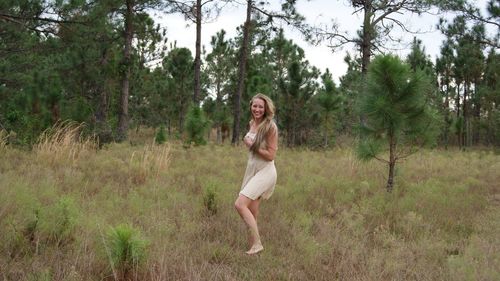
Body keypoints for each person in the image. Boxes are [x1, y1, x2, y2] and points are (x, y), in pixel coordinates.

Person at [234, 93, 278, 255]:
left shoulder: (270, 127)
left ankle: (258, 243)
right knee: (251, 212)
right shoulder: (252, 123)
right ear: (251, 106)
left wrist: (252, 145)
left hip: (265, 172)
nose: (257, 109)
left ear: (266, 108)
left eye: (261, 106)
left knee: (239, 204)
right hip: (252, 171)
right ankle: (253, 248)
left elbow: (271, 155)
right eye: (255, 106)